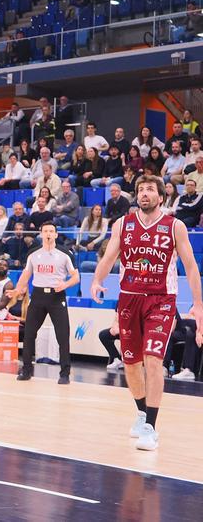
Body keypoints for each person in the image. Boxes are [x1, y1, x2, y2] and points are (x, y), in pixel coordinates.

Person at [91, 176, 203, 450]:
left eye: (150, 189)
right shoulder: (123, 224)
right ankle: (141, 411)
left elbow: (190, 267)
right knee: (131, 363)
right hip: (129, 299)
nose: (143, 193)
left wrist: (198, 305)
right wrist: (97, 280)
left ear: (161, 196)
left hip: (160, 300)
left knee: (153, 359)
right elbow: (109, 257)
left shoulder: (174, 226)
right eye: (140, 189)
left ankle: (151, 427)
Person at [9, 222, 81, 384]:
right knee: (29, 334)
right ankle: (26, 370)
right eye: (45, 231)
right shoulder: (33, 254)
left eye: (51, 231)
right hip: (38, 296)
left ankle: (64, 374)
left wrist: (65, 284)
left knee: (62, 336)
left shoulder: (65, 254)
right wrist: (17, 290)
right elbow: (26, 275)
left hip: (57, 297)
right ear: (41, 234)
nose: (48, 234)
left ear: (56, 234)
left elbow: (76, 277)